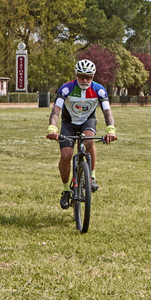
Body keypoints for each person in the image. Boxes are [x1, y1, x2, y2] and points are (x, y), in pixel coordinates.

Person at [46, 59, 118, 208]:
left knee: (89, 141)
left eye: (88, 77)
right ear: (76, 75)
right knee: (66, 155)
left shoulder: (99, 90)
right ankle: (66, 190)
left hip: (87, 121)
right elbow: (56, 110)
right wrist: (52, 127)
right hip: (69, 123)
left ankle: (91, 177)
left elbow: (107, 111)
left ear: (93, 77)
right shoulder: (66, 88)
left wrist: (111, 129)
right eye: (81, 76)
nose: (85, 80)